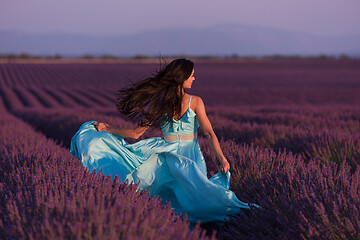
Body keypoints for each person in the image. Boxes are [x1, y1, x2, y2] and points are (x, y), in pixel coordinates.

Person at [70, 58, 258, 223]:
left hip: (165, 151)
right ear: (181, 78)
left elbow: (136, 134)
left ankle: (167, 223)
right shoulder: (196, 102)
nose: (194, 78)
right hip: (189, 154)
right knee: (196, 192)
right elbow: (209, 133)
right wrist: (221, 158)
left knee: (167, 194)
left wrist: (108, 128)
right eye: (191, 75)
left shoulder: (159, 104)